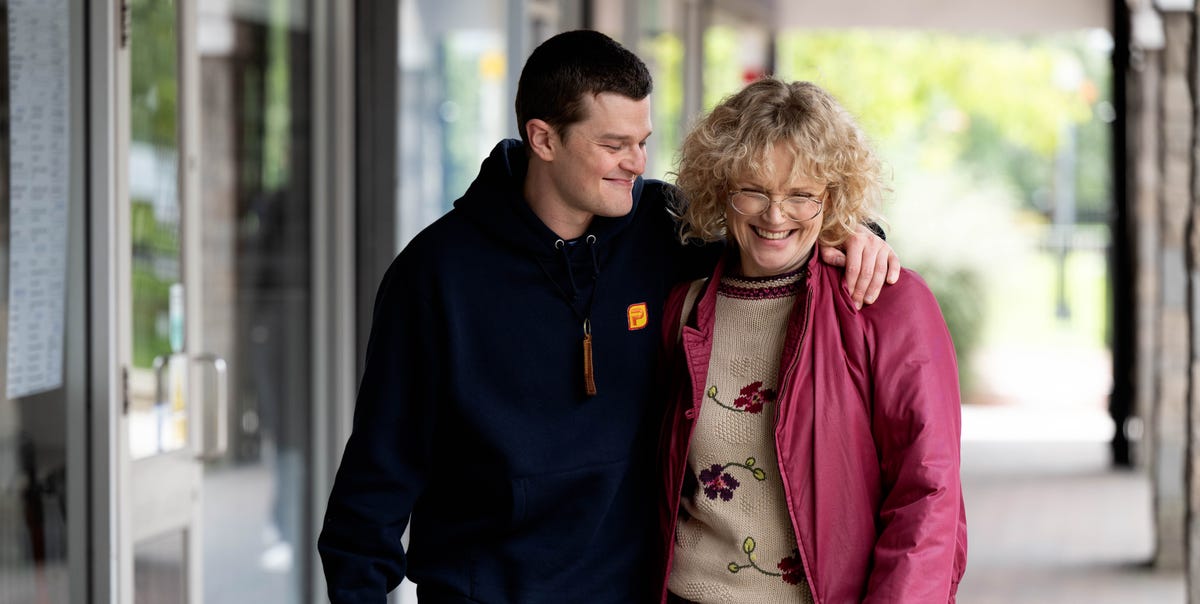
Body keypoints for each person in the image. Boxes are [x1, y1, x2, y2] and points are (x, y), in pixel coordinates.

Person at [318, 31, 899, 603]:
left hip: (628, 589)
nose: (637, 162)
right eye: (614, 144)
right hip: (482, 589)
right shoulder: (436, 274)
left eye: (642, 141)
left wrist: (855, 233)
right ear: (543, 139)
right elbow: (379, 472)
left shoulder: (662, 228)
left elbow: (773, 230)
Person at [656, 78, 967, 603]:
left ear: (833, 198)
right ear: (721, 188)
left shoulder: (886, 304)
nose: (775, 215)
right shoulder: (681, 309)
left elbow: (928, 496)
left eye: (801, 195)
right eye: (754, 190)